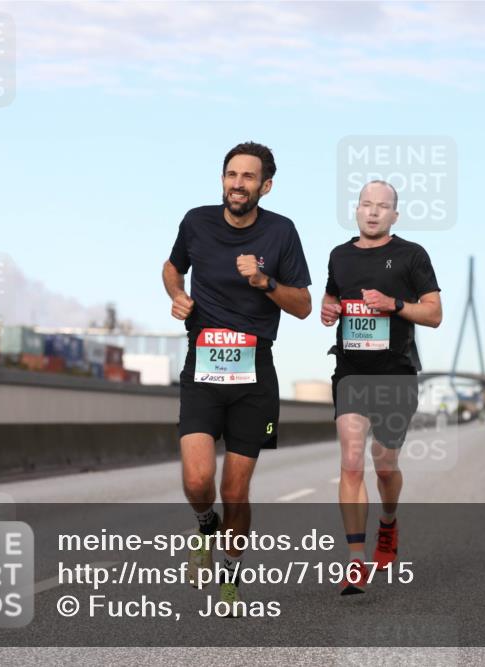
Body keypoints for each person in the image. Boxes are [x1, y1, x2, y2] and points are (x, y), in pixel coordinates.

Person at [162, 141, 312, 609]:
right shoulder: (196, 222)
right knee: (197, 480)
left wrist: (265, 282)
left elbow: (304, 306)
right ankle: (206, 524)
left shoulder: (282, 232)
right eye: (232, 174)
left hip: (254, 375)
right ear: (222, 179)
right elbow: (171, 267)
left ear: (265, 186)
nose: (238, 184)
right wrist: (177, 295)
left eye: (248, 177)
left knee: (235, 488)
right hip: (203, 366)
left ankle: (229, 569)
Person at [320, 180, 442, 595]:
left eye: (382, 206)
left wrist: (395, 306)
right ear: (356, 210)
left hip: (396, 373)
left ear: (395, 215)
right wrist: (328, 308)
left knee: (384, 463)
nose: (373, 212)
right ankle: (356, 560)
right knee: (352, 462)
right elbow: (331, 297)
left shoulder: (411, 255)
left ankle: (388, 523)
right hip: (351, 371)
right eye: (366, 205)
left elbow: (434, 314)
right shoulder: (339, 255)